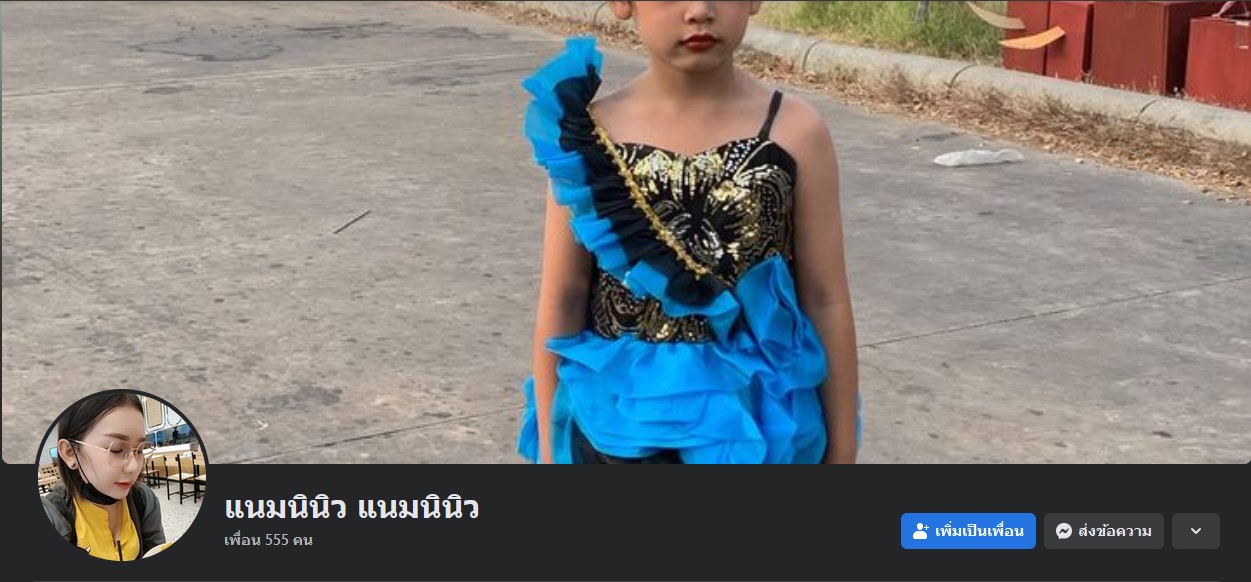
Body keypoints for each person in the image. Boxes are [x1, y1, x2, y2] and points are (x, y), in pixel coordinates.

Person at [517, 1, 861, 463]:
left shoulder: (796, 132)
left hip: (760, 430)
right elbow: (565, 294)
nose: (700, 10)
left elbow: (825, 298)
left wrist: (842, 452)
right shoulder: (590, 136)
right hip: (616, 431)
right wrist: (549, 450)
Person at [42, 391, 166, 559]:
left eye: (140, 450)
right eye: (116, 449)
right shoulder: (53, 516)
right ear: (70, 452)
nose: (134, 466)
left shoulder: (144, 499)